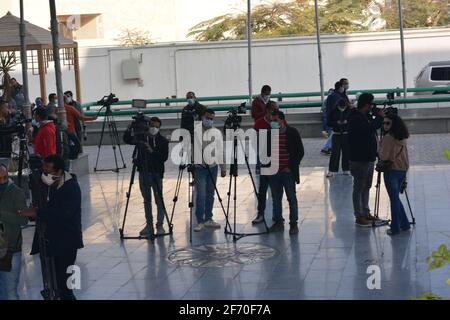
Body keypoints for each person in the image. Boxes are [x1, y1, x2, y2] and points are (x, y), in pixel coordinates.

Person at [19, 155, 83, 300]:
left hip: (67, 241)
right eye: (44, 170)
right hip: (51, 239)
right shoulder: (49, 185)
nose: (45, 174)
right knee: (53, 280)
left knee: (66, 285)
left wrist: (38, 212)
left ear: (60, 172)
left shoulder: (71, 187)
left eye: (48, 171)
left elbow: (64, 213)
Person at [123, 116, 169, 237]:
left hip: (156, 173)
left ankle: (160, 225)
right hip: (143, 173)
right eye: (152, 126)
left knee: (159, 200)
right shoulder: (142, 139)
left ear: (159, 127)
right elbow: (127, 140)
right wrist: (129, 128)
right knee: (146, 201)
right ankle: (149, 225)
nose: (154, 128)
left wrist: (151, 151)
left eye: (156, 126)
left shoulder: (163, 141)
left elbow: (163, 158)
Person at [348, 93, 384, 227]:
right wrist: (379, 117)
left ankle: (366, 212)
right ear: (366, 105)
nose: (372, 107)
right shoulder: (355, 118)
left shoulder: (365, 116)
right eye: (370, 105)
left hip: (368, 158)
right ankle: (359, 215)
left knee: (367, 186)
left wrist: (376, 117)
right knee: (359, 187)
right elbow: (368, 129)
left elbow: (372, 129)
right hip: (359, 159)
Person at [268, 110, 304, 235]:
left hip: (288, 172)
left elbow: (300, 151)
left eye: (275, 120)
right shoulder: (269, 134)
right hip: (274, 172)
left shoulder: (292, 132)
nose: (273, 123)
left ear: (282, 120)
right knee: (276, 198)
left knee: (291, 198)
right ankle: (278, 222)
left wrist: (291, 166)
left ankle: (293, 224)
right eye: (271, 120)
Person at [193, 109, 227, 232]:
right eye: (208, 118)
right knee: (201, 194)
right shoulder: (195, 131)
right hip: (200, 168)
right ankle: (200, 220)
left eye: (212, 118)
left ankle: (208, 218)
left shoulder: (216, 132)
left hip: (213, 167)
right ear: (203, 117)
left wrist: (223, 167)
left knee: (210, 194)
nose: (209, 120)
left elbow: (220, 150)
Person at [378, 114, 411, 236]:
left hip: (391, 170)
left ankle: (395, 227)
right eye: (384, 123)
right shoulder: (402, 137)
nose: (385, 125)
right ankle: (405, 224)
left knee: (394, 199)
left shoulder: (388, 138)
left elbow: (383, 156)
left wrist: (380, 147)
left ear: (393, 125)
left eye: (388, 123)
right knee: (396, 198)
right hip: (402, 169)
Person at [0, 164, 28, 300]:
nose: (2, 181)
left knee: (10, 293)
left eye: (4, 178)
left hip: (10, 250)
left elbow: (23, 220)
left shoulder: (16, 192)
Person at [252, 101, 278, 224]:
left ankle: (277, 215)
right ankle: (260, 214)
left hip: (277, 161)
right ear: (267, 110)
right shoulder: (259, 123)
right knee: (262, 190)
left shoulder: (280, 121)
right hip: (265, 160)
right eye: (273, 110)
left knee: (276, 190)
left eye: (277, 109)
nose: (275, 112)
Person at [326, 99, 352, 177]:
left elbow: (353, 120)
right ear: (338, 106)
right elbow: (328, 122)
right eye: (341, 107)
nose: (342, 108)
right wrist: (336, 122)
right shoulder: (333, 111)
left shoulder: (349, 111)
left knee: (346, 152)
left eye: (344, 107)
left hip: (346, 133)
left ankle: (346, 169)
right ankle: (332, 170)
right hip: (336, 134)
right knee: (335, 153)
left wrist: (346, 121)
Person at [321, 82, 342, 155]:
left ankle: (327, 147)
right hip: (334, 119)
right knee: (333, 134)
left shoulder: (330, 97)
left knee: (333, 134)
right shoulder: (336, 97)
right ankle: (327, 147)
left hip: (330, 118)